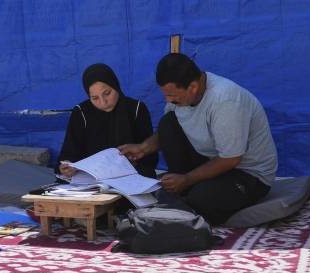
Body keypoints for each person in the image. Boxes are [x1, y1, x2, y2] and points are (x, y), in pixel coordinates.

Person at [119, 53, 277, 224]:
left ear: (193, 87)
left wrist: (187, 179)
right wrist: (142, 148)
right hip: (210, 159)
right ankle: (182, 191)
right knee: (168, 123)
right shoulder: (181, 96)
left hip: (246, 173)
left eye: (172, 96)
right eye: (166, 95)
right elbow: (167, 132)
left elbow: (231, 159)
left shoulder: (225, 101)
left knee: (200, 199)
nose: (168, 100)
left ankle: (187, 194)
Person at [57, 63, 157, 178]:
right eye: (95, 98)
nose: (103, 102)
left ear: (115, 86)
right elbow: (70, 153)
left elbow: (150, 156)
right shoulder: (81, 113)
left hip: (130, 178)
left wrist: (133, 163)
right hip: (92, 181)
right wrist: (67, 167)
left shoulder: (136, 109)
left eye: (107, 93)